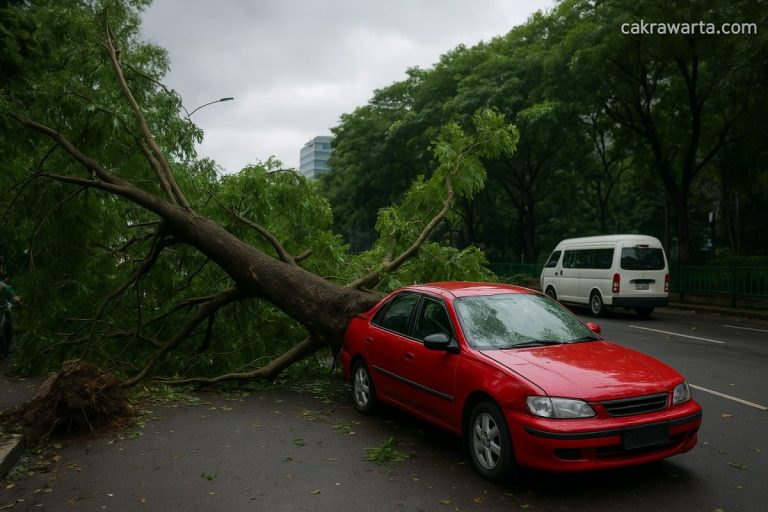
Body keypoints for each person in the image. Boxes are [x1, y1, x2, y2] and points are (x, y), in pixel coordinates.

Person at [0, 277, 21, 358]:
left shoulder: (4, 287)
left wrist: (15, 298)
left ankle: (7, 350)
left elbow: (13, 294)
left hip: (4, 309)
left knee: (4, 327)